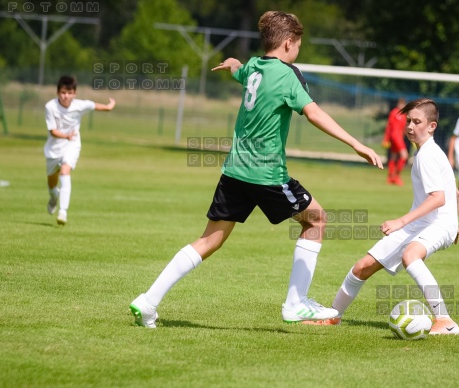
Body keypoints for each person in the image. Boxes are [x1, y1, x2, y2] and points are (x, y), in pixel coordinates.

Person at [129, 11, 383, 328]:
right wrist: (356, 144)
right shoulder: (287, 75)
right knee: (316, 219)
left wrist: (233, 64)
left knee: (209, 240)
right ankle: (295, 304)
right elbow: (314, 113)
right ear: (289, 43)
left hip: (235, 171)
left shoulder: (254, 67)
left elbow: (240, 70)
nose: (298, 51)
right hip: (266, 173)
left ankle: (148, 300)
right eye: (299, 45)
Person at [312, 98, 459, 335]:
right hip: (428, 223)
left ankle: (445, 321)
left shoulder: (427, 155)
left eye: (417, 122)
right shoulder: (429, 152)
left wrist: (402, 221)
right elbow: (453, 191)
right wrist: (454, 224)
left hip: (432, 223)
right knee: (362, 267)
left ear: (432, 126)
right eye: (408, 121)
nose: (411, 127)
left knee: (411, 256)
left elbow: (438, 197)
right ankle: (334, 316)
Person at [44, 75, 116, 225]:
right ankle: (54, 197)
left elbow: (94, 105)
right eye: (63, 93)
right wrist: (65, 136)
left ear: (74, 94)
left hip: (72, 145)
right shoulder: (50, 107)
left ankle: (63, 212)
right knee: (52, 184)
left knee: (65, 171)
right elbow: (52, 131)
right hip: (54, 148)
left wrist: (109, 107)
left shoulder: (79, 105)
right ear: (58, 93)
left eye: (70, 93)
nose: (66, 96)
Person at [382, 98, 408, 185]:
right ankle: (396, 176)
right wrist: (386, 139)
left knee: (394, 156)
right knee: (404, 155)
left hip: (399, 137)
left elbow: (404, 128)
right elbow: (389, 126)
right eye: (400, 104)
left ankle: (390, 177)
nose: (401, 106)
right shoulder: (394, 113)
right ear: (398, 104)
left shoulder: (404, 115)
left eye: (403, 104)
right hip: (395, 137)